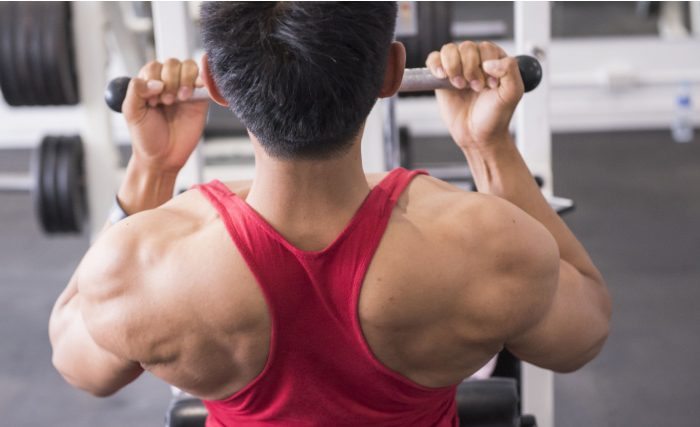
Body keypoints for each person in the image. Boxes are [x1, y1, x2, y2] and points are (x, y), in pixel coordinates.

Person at [49, 2, 611, 426]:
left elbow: (75, 358)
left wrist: (152, 168)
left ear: (215, 82)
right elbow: (583, 330)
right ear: (393, 74)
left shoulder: (138, 267)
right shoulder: (488, 245)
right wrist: (488, 146)